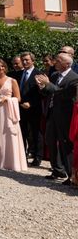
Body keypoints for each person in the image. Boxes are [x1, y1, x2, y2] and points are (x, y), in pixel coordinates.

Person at [35, 52, 78, 185]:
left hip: (65, 116)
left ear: (66, 64)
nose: (55, 62)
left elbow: (64, 95)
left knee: (65, 144)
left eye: (58, 61)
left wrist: (48, 84)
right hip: (52, 113)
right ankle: (57, 169)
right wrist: (42, 87)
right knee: (50, 140)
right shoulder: (54, 75)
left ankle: (71, 175)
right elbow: (48, 93)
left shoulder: (74, 78)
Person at [0, 58, 27, 172]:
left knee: (8, 133)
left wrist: (7, 99)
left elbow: (18, 98)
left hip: (7, 110)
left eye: (2, 66)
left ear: (5, 67)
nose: (0, 68)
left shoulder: (12, 81)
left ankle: (10, 162)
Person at [17, 52, 44, 167]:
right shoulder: (18, 74)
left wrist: (31, 103)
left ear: (33, 61)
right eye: (23, 60)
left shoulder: (39, 74)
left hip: (34, 109)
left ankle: (37, 157)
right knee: (22, 133)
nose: (24, 62)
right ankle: (22, 156)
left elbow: (42, 93)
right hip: (20, 108)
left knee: (36, 133)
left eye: (27, 60)